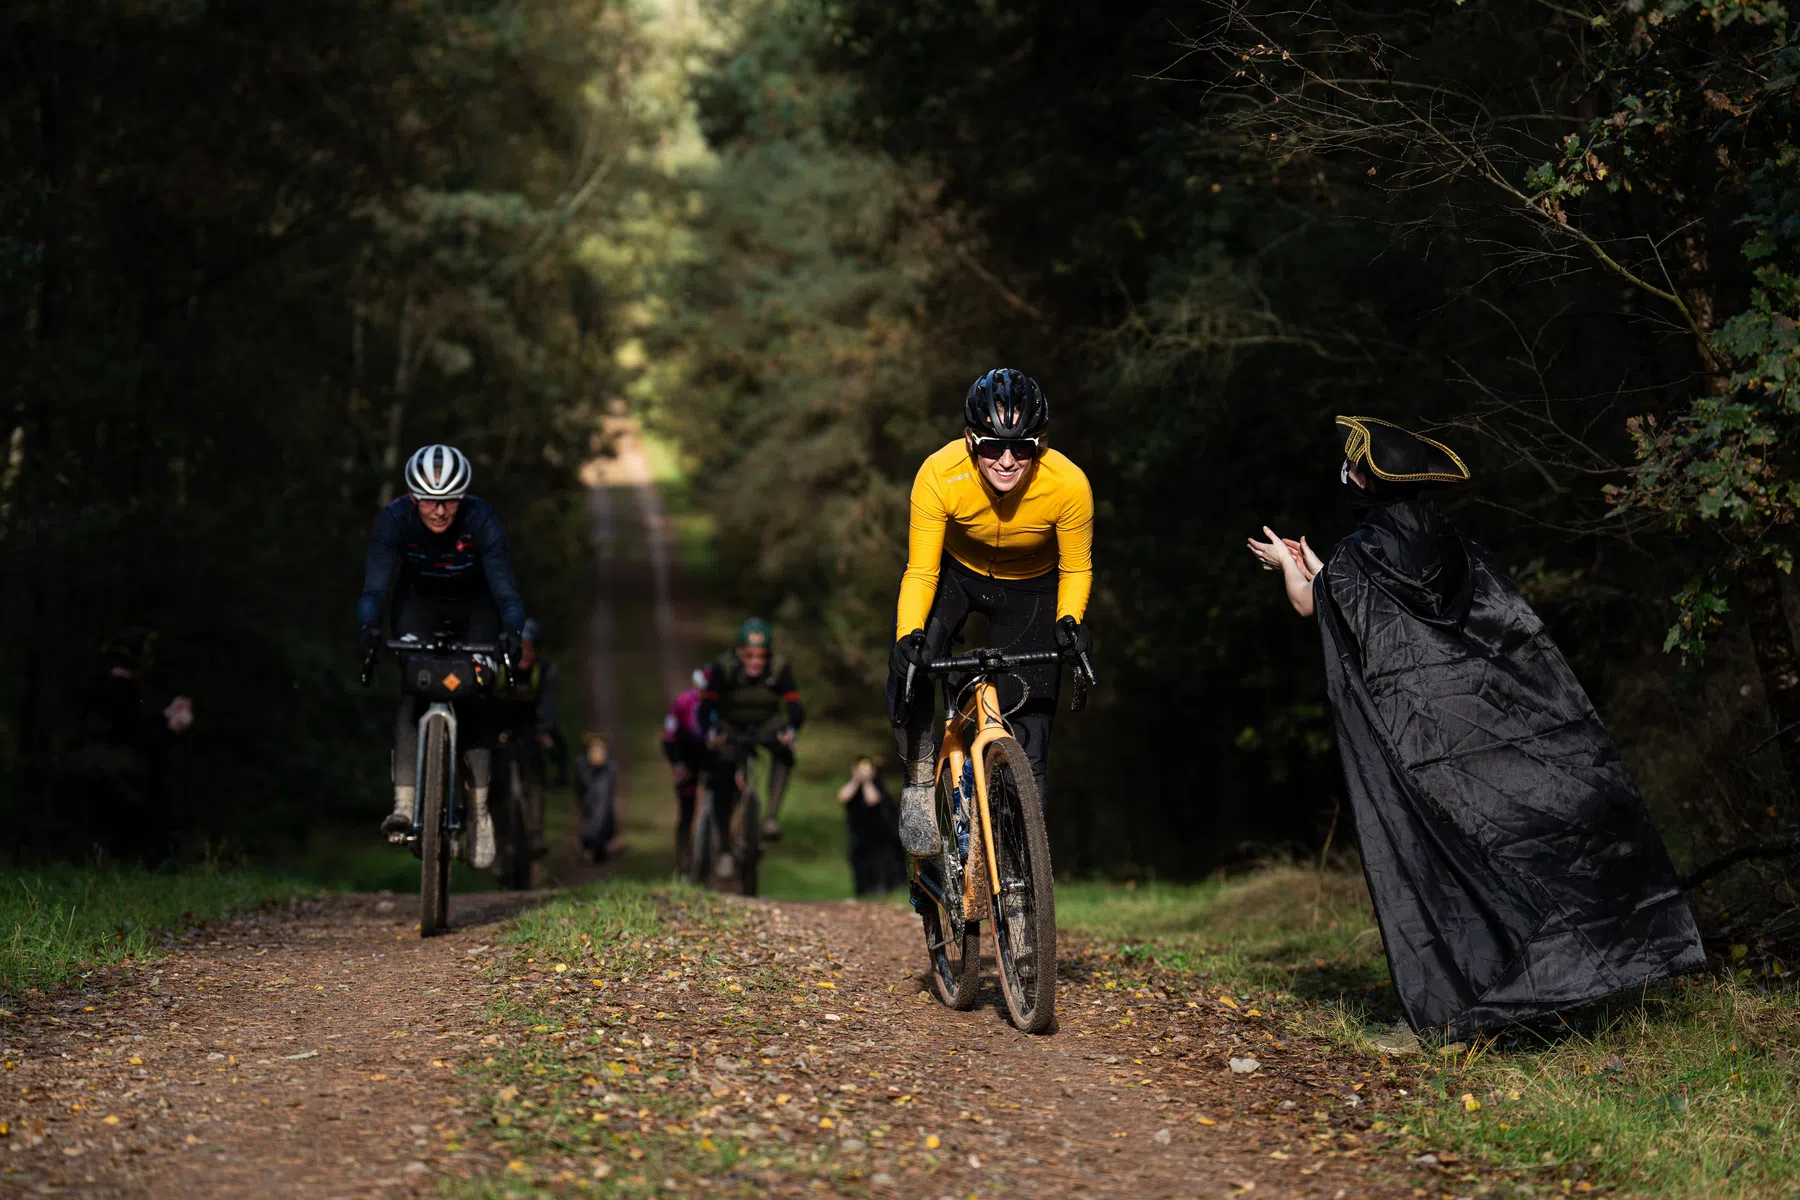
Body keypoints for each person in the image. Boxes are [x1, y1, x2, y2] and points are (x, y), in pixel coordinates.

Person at [1247, 415, 1705, 1040]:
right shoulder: (1451, 543)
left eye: (1352, 467)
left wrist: (1290, 566)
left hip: (1422, 742)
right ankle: (1581, 977)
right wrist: (1324, 568)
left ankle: (1463, 1005)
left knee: (1444, 857)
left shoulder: (1361, 555)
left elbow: (1315, 605)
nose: (1346, 475)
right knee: (1521, 845)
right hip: (1492, 731)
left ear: (1366, 483)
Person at [887, 367, 1094, 859]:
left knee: (1032, 736)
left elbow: (1078, 568)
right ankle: (919, 777)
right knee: (909, 666)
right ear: (968, 440)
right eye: (990, 447)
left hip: (1033, 590)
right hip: (956, 577)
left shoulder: (1068, 485)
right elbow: (921, 570)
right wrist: (910, 633)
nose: (1006, 460)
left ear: (1039, 445)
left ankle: (1021, 869)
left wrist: (1069, 621)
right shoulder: (939, 474)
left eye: (1021, 447)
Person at [357, 443, 525, 869]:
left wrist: (510, 631)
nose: (439, 511)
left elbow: (506, 590)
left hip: (477, 610)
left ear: (463, 497)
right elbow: (376, 587)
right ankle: (405, 805)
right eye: (430, 500)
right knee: (414, 688)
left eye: (450, 500)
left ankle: (480, 812)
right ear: (413, 497)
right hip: (419, 606)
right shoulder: (395, 518)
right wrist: (370, 628)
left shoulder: (481, 519)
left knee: (476, 693)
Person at [78, 629, 194, 865]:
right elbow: (135, 737)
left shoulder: (106, 686)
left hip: (105, 767)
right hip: (121, 773)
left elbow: (130, 726)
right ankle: (147, 861)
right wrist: (171, 728)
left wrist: (165, 718)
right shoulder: (122, 690)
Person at [697, 619, 804, 842]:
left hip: (766, 724)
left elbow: (794, 706)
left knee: (785, 752)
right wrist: (711, 732)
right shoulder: (723, 668)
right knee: (722, 771)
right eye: (749, 655)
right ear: (738, 652)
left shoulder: (778, 668)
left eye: (762, 656)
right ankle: (724, 842)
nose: (756, 662)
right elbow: (705, 707)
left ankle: (771, 817)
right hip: (730, 725)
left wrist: (791, 730)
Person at [502, 617, 563, 860]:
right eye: (521, 648)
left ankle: (535, 834)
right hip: (503, 726)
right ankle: (494, 843)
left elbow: (549, 707)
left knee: (534, 779)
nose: (525, 653)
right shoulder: (500, 669)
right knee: (495, 785)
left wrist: (544, 731)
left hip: (532, 728)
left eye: (530, 647)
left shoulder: (545, 671)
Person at [662, 669, 709, 873]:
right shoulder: (682, 703)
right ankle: (683, 858)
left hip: (710, 761)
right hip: (687, 761)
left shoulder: (717, 703)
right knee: (686, 811)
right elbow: (668, 737)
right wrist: (677, 763)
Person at [839, 757, 904, 897]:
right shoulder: (851, 784)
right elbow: (843, 796)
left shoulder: (877, 784)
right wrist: (856, 779)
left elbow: (872, 800)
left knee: (880, 862)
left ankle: (882, 890)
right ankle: (863, 891)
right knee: (860, 864)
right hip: (858, 833)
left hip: (879, 834)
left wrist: (867, 781)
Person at [574, 732, 617, 863]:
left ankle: (596, 849)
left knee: (601, 819)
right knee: (592, 821)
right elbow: (579, 787)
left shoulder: (609, 768)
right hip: (590, 805)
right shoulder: (583, 765)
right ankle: (590, 847)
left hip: (599, 806)